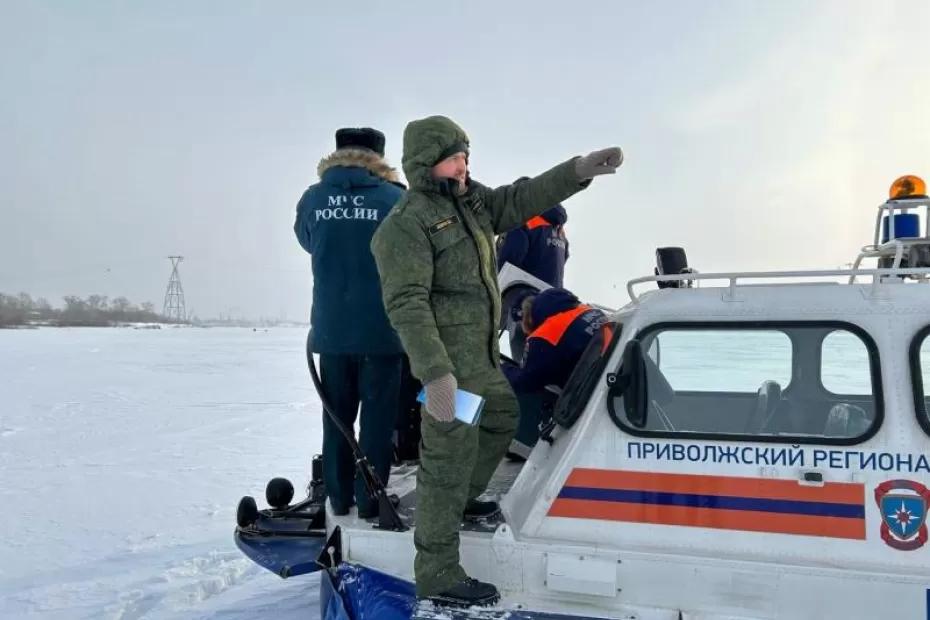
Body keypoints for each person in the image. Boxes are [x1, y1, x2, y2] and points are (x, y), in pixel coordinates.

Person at [370, 114, 622, 607]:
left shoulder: (471, 203)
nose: (465, 165)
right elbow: (407, 304)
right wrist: (434, 373)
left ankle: (463, 502)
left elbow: (518, 199)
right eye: (455, 158)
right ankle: (438, 572)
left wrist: (575, 171)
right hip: (447, 366)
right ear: (428, 163)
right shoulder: (406, 224)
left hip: (481, 359)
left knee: (504, 417)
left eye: (467, 156)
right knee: (445, 459)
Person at [294, 127, 405, 519]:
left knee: (336, 417)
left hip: (332, 330)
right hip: (383, 332)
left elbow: (307, 241)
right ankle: (371, 498)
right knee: (376, 420)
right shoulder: (395, 199)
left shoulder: (313, 198)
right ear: (379, 157)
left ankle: (338, 498)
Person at [502, 288, 610, 393]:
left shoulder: (542, 339)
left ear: (524, 316)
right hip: (617, 360)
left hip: (600, 389)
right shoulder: (585, 308)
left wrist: (500, 369)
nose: (525, 332)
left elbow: (526, 381)